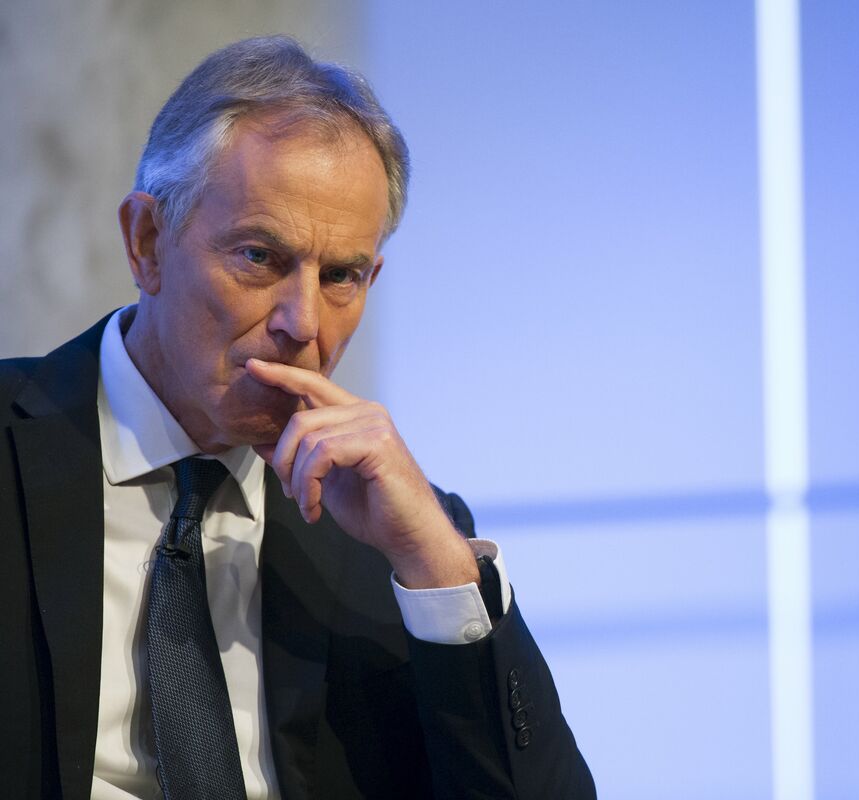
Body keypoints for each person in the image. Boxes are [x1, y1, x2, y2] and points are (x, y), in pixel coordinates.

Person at [0, 36, 595, 799]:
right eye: (259, 257)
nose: (303, 323)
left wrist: (436, 565)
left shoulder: (397, 540)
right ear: (146, 243)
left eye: (342, 275)